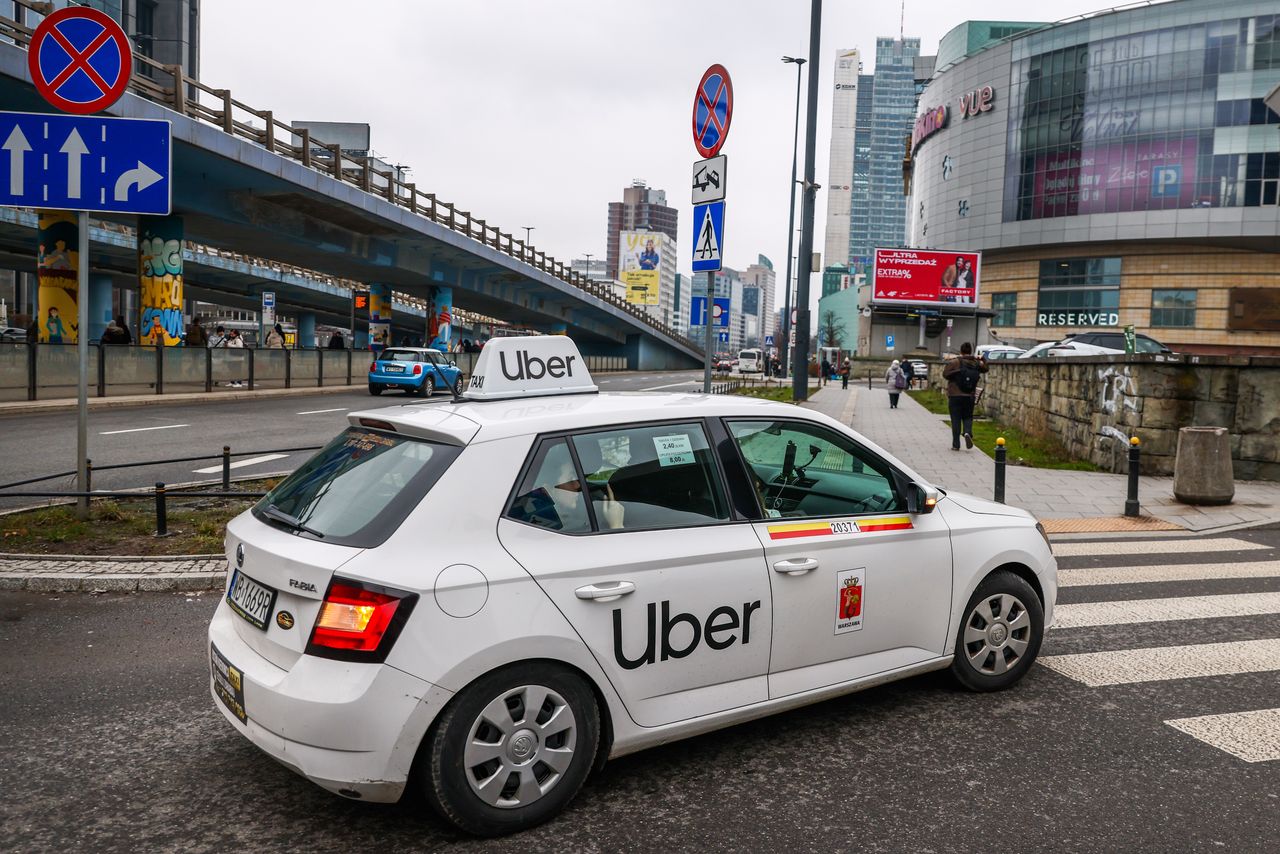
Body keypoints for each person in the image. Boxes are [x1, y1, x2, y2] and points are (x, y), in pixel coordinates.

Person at [942, 342, 988, 451]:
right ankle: (967, 432)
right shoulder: (976, 363)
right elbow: (986, 368)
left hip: (955, 395)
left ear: (961, 351)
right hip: (969, 396)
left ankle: (956, 444)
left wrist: (957, 373)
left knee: (955, 419)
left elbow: (945, 374)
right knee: (968, 416)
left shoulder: (955, 362)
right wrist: (983, 359)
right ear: (970, 351)